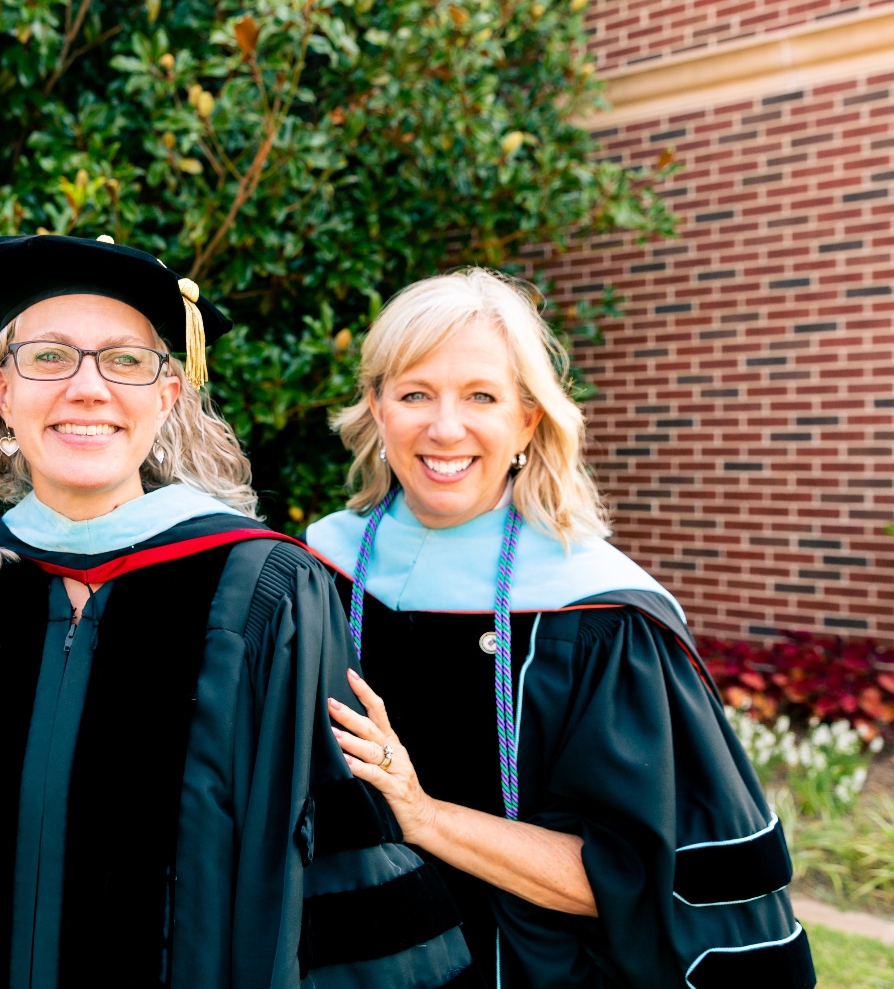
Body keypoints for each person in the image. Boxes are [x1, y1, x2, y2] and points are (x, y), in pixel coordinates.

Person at [0, 234, 473, 989]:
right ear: (0, 390)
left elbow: (326, 863)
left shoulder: (265, 595)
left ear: (168, 394)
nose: (87, 388)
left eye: (125, 360)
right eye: (49, 356)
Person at [306, 269, 815, 988]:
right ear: (377, 409)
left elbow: (641, 879)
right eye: (415, 392)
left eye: (481, 396)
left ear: (527, 420)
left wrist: (423, 815)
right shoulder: (316, 570)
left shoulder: (600, 618)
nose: (444, 427)